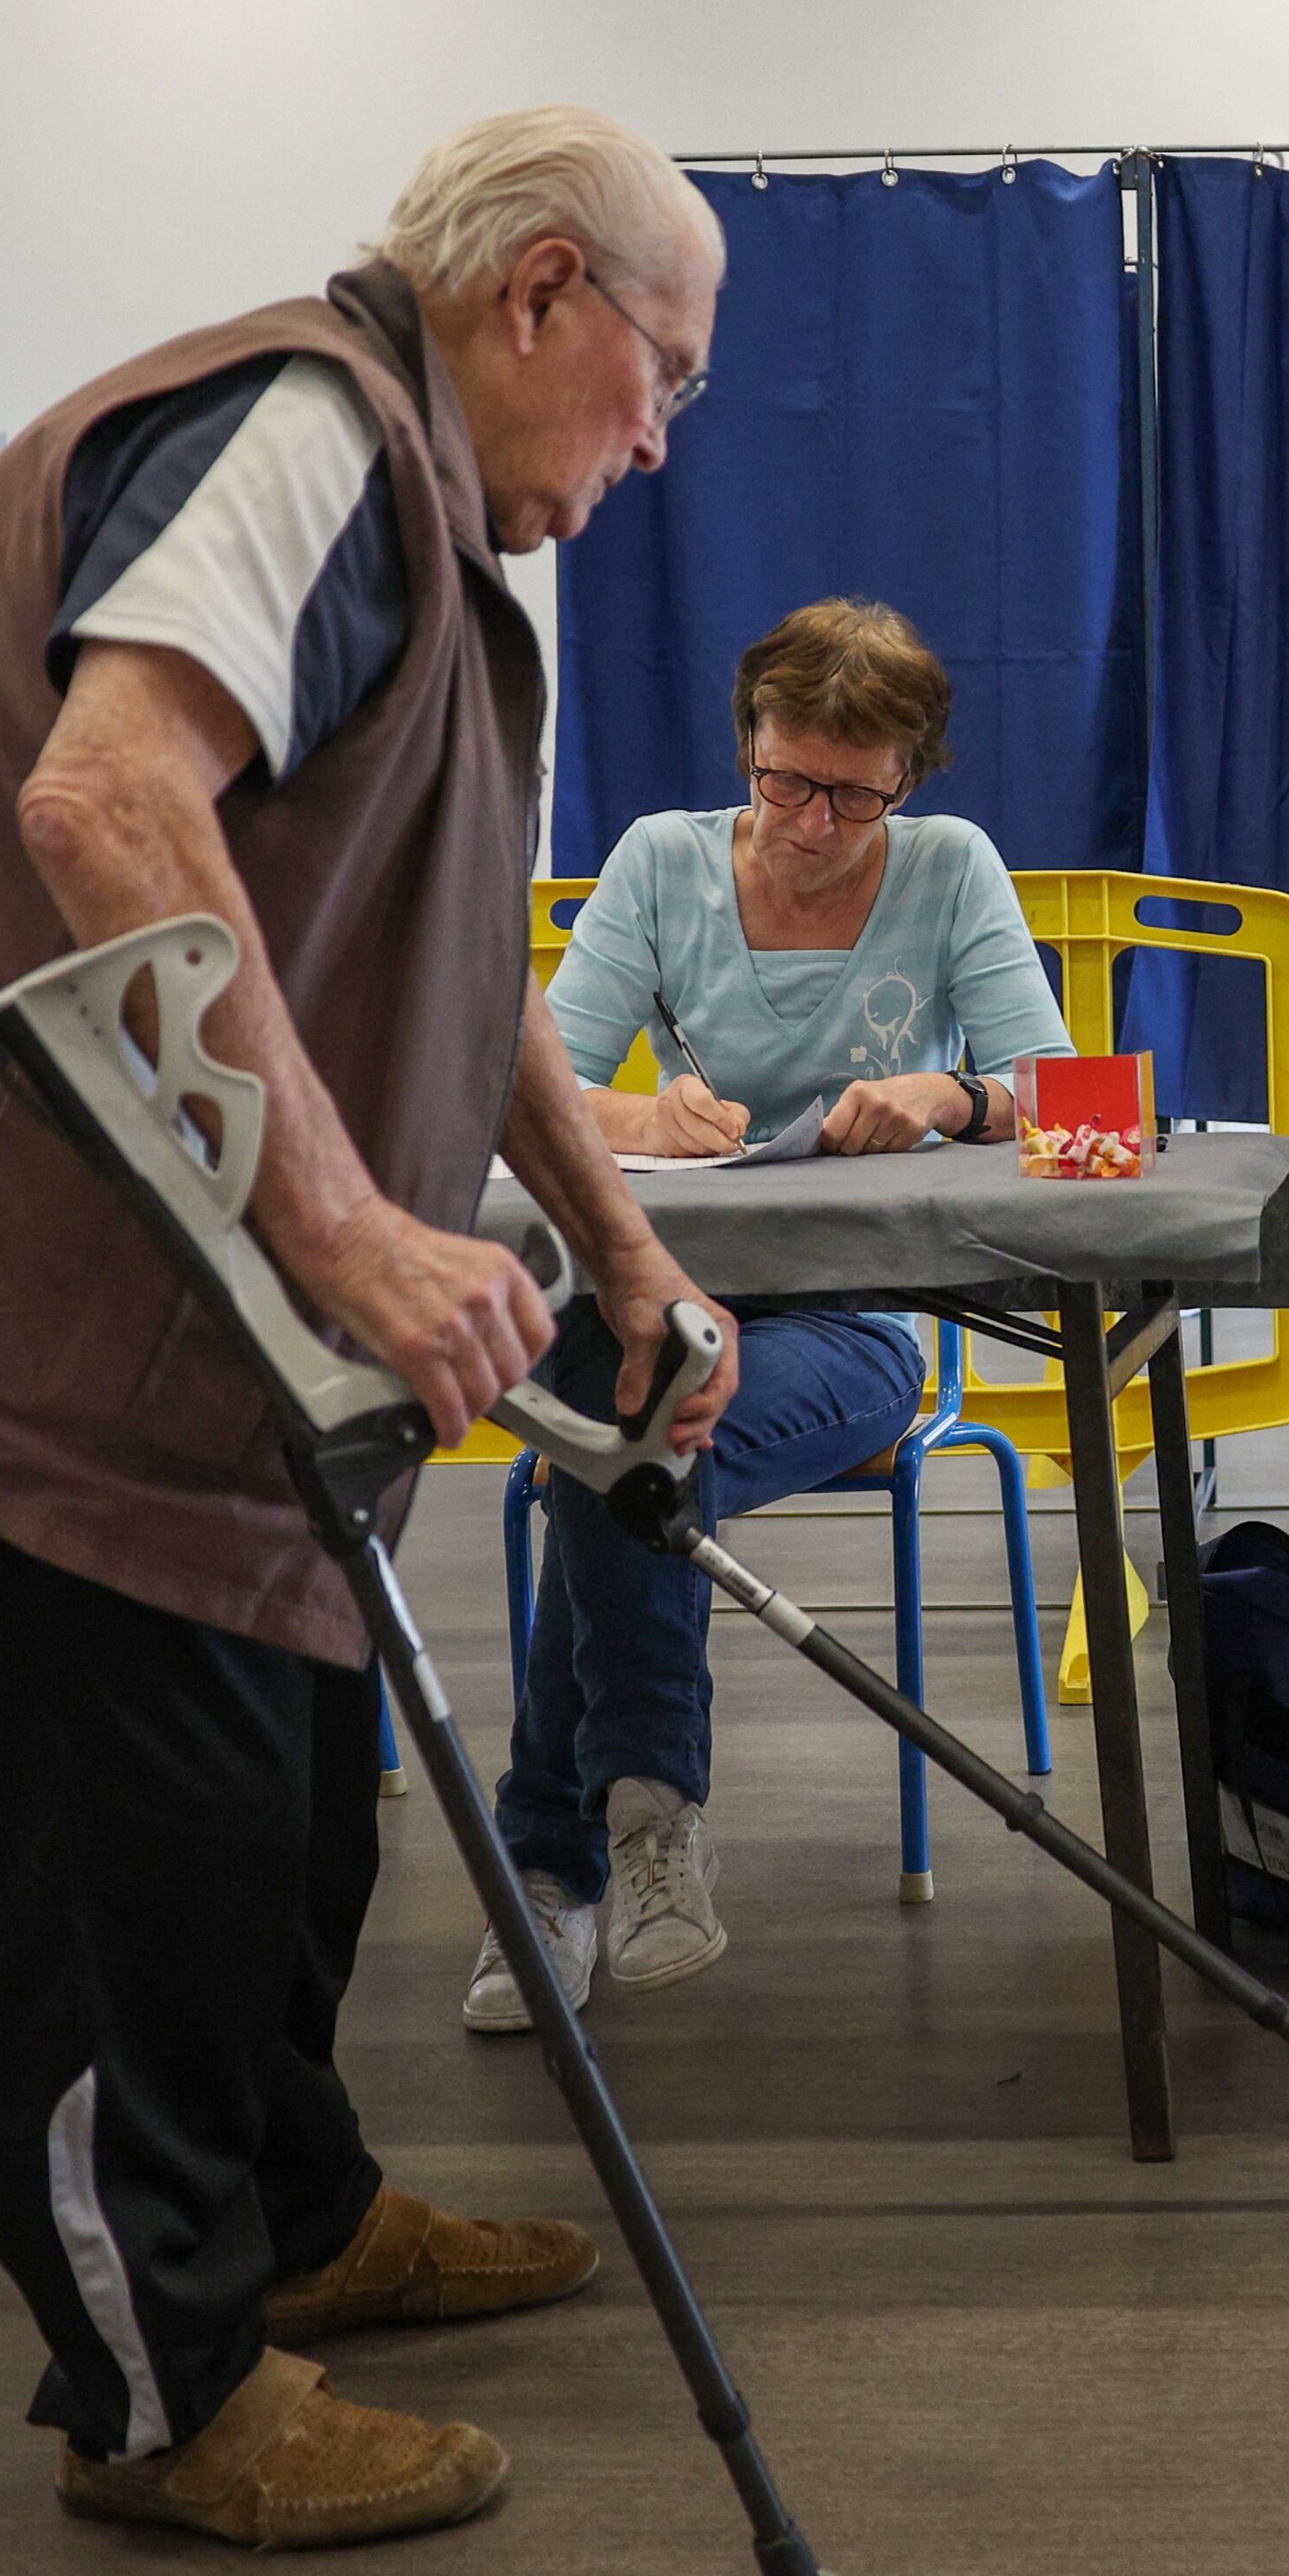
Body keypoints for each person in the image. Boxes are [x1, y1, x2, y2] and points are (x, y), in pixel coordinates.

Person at [0, 108, 745, 2548]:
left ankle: (296, 2204)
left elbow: (467, 954)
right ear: (539, 291)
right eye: (657, 375)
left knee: (277, 1806)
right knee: (112, 1855)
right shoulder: (309, 428)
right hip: (46, 1295)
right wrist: (356, 1229)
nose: (659, 439)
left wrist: (629, 1251)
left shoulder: (436, 531)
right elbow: (107, 799)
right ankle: (160, 2389)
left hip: (214, 1320)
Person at [471, 596, 1073, 2030]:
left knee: (619, 1454)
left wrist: (950, 1094)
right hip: (655, 1299)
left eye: (849, 797)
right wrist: (643, 1111)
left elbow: (1069, 1091)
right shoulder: (665, 862)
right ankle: (643, 1829)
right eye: (783, 780)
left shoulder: (947, 870)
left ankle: (559, 1868)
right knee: (627, 1423)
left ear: (906, 781)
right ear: (748, 746)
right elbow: (536, 1082)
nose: (810, 821)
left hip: (857, 1323)